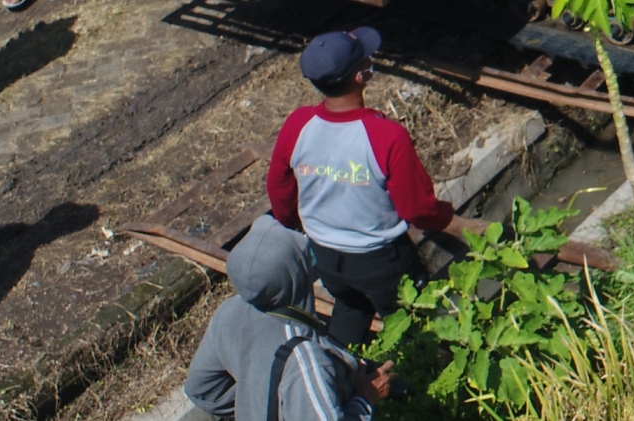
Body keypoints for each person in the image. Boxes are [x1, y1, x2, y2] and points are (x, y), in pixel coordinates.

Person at [268, 28, 473, 348]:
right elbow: (416, 209)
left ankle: (336, 375)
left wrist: (295, 224)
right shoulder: (385, 136)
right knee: (416, 324)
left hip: (326, 256)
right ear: (360, 76)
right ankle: (427, 382)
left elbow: (279, 190)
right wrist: (447, 216)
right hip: (381, 259)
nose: (371, 58)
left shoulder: (299, 124)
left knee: (351, 306)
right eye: (366, 56)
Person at [184, 214, 391, 421]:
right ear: (295, 274)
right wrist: (366, 399)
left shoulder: (228, 312)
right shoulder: (305, 359)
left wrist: (258, 406)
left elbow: (200, 388)